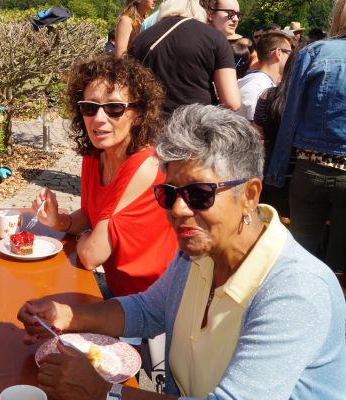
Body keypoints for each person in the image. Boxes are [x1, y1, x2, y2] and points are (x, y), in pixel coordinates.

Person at [18, 104, 346, 400]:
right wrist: (65, 316)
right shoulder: (200, 252)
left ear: (249, 195)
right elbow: (149, 310)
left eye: (199, 194)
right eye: (169, 193)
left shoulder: (296, 291)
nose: (178, 209)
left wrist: (106, 394)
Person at [31, 54, 177, 298]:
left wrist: (85, 237)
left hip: (155, 302)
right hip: (122, 292)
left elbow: (91, 255)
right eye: (89, 107)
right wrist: (58, 221)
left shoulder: (145, 165)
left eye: (114, 108)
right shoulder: (94, 157)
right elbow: (90, 216)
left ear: (138, 114)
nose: (98, 119)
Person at [267, 0, 346, 274]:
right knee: (340, 268)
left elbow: (291, 115)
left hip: (309, 170)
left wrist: (276, 175)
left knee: (298, 261)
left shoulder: (315, 52)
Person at [130, 0, 240, 117]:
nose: (236, 19)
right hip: (196, 123)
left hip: (150, 121)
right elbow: (232, 103)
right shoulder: (215, 38)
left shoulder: (141, 39)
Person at [253, 42, 304, 218]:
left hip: (269, 170)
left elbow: (258, 131)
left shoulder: (267, 95)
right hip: (300, 174)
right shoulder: (313, 102)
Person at [236, 31, 293, 121]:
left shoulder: (256, 81)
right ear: (278, 53)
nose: (292, 57)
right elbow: (256, 128)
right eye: (290, 53)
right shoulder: (259, 88)